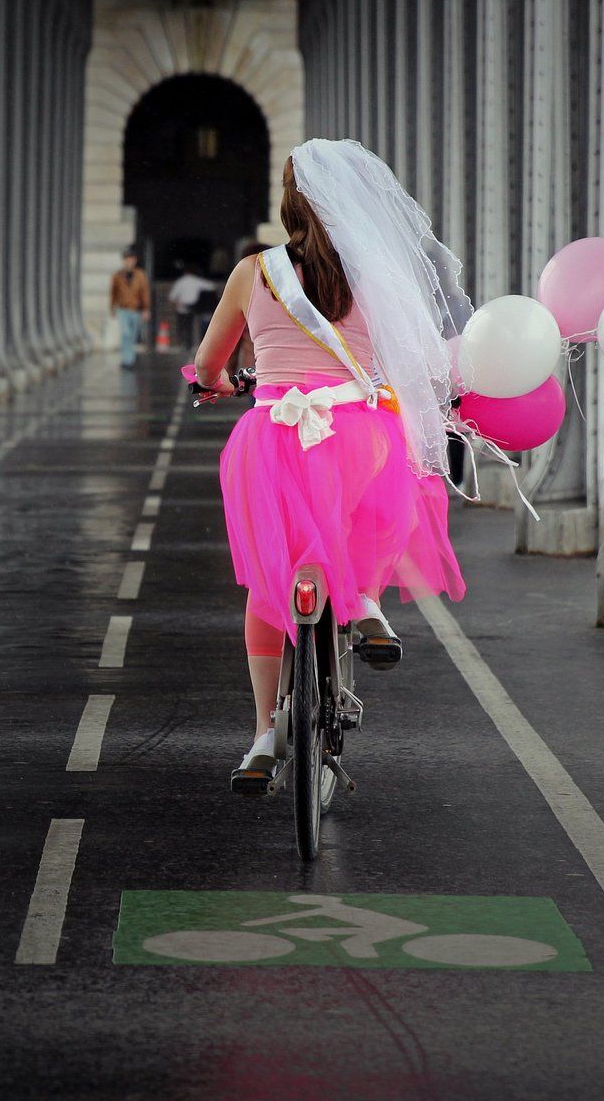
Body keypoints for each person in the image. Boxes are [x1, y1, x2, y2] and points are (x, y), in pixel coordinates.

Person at [191, 140, 468, 794]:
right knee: (378, 512)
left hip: (271, 438)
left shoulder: (253, 274)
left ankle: (264, 734)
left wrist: (214, 382)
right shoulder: (376, 277)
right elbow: (423, 358)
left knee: (269, 582)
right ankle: (367, 603)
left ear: (286, 204)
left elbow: (209, 363)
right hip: (359, 435)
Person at [108, 249, 151, 369]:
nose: (129, 262)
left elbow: (144, 292)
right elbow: (113, 292)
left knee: (132, 335)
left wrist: (146, 309)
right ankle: (127, 360)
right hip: (123, 308)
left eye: (131, 260)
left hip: (136, 309)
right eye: (127, 260)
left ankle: (130, 358)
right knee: (125, 333)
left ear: (135, 261)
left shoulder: (140, 275)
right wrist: (112, 307)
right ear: (123, 261)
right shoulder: (117, 275)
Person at [166, 261, 219, 350]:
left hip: (182, 308)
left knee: (183, 327)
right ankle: (193, 344)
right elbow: (212, 286)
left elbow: (172, 297)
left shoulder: (180, 282)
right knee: (193, 327)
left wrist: (175, 305)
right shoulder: (197, 281)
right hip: (195, 308)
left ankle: (183, 344)